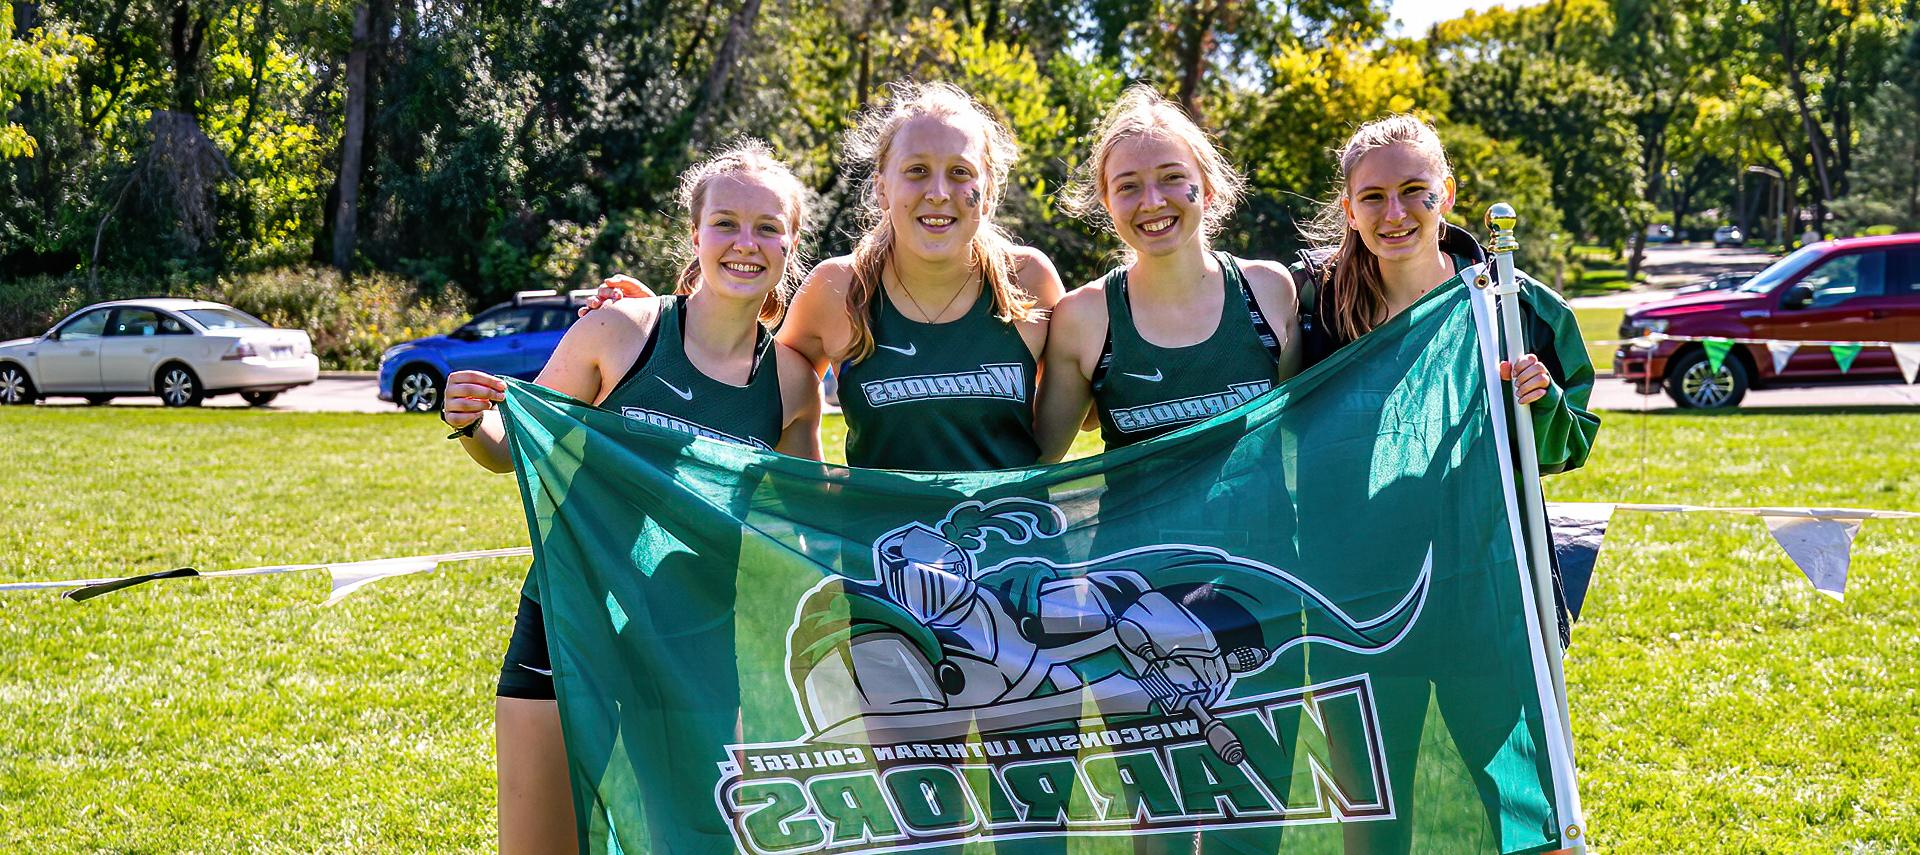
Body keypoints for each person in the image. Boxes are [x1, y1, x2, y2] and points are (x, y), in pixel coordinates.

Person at [440, 140, 823, 855]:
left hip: (695, 646)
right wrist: (471, 419)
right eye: (727, 223)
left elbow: (806, 528)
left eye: (768, 227)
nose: (747, 243)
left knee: (695, 845)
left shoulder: (795, 382)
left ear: (791, 242)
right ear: (695, 234)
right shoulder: (620, 332)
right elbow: (510, 449)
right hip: (570, 626)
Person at [1293, 113, 1598, 854]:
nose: (1394, 213)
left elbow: (1568, 444)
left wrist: (1542, 401)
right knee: (1372, 810)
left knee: (1524, 800)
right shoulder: (1313, 313)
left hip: (1488, 588)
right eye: (1373, 197)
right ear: (1348, 207)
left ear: (1448, 193)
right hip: (1356, 602)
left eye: (1414, 191)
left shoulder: (1516, 305)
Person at [593, 81, 1065, 471]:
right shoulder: (837, 289)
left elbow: (1083, 414)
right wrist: (661, 324)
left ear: (988, 191)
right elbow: (751, 379)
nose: (939, 193)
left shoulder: (1029, 281)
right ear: (882, 188)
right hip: (882, 568)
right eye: (917, 171)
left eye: (960, 172)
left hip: (1014, 559)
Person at [1036, 84, 1301, 460]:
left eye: (1172, 177)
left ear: (1207, 187)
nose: (1152, 202)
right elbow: (1033, 467)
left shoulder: (1269, 291)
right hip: (1132, 522)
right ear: (1107, 202)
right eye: (1128, 186)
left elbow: (1305, 430)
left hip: (1263, 522)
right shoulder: (1084, 317)